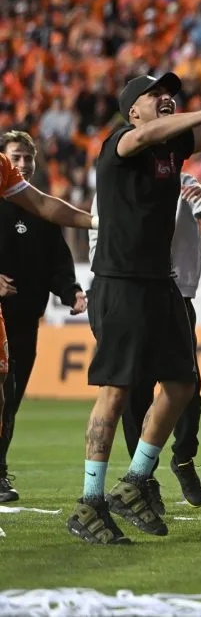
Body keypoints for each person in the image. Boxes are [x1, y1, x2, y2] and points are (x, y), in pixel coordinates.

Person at [67, 55, 201, 544]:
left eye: (168, 92)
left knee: (181, 384)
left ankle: (135, 481)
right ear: (133, 110)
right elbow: (178, 129)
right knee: (115, 392)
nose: (166, 96)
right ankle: (89, 502)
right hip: (120, 281)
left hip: (161, 283)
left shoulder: (170, 149)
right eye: (156, 93)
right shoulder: (121, 143)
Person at [90, 169, 201, 512]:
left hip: (178, 295)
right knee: (134, 391)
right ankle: (144, 479)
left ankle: (183, 457)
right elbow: (98, 235)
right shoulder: (117, 180)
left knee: (186, 388)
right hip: (132, 294)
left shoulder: (184, 181)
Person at [0, 131, 87, 503]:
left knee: (10, 402)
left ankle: (0, 470)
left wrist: (71, 290)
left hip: (25, 320)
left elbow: (57, 261)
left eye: (27, 159)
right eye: (15, 158)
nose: (22, 165)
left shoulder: (41, 209)